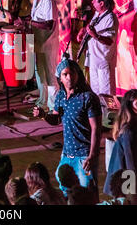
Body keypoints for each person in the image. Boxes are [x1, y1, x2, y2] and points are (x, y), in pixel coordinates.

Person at [34, 58, 102, 202]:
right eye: (65, 74)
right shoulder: (60, 96)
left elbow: (96, 128)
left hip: (84, 157)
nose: (70, 77)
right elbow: (56, 119)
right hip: (67, 155)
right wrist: (43, 115)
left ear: (78, 74)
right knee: (66, 195)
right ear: (60, 78)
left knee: (88, 195)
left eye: (73, 73)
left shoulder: (88, 97)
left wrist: (92, 155)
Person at [76, 0, 119, 173]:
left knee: (107, 94)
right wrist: (83, 35)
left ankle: (112, 127)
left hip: (103, 61)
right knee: (95, 93)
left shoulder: (111, 18)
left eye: (95, 0)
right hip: (93, 60)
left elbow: (109, 41)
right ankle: (99, 124)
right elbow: (89, 32)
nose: (92, 3)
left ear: (102, 2)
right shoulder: (96, 15)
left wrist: (95, 35)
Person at [15, 0, 59, 112]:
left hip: (48, 45)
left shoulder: (48, 1)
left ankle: (53, 106)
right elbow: (35, 18)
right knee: (40, 75)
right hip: (38, 43)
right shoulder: (36, 1)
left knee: (50, 75)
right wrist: (24, 20)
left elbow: (48, 24)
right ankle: (42, 103)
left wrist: (28, 22)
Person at [103, 89, 137, 197]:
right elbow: (130, 164)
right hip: (125, 183)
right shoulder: (130, 131)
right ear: (129, 106)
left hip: (128, 181)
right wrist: (133, 192)